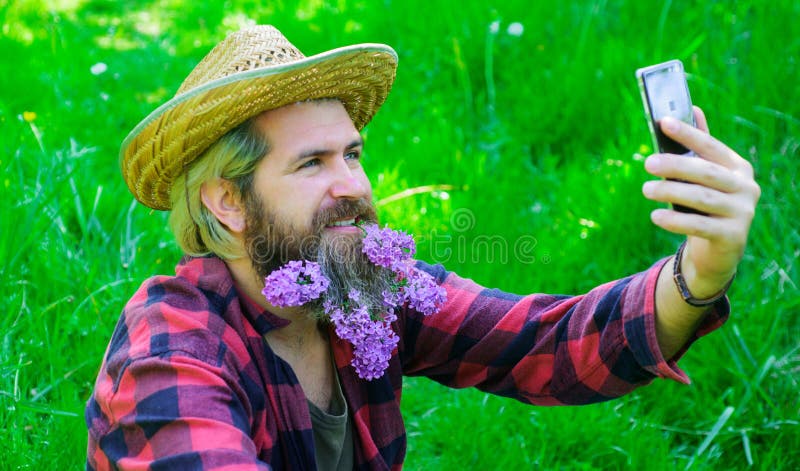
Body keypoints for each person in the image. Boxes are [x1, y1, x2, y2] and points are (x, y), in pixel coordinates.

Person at [85, 25, 760, 470]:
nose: (352, 185)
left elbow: (547, 345)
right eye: (311, 163)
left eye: (353, 153)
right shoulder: (173, 350)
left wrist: (701, 269)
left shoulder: (366, 289)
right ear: (226, 202)